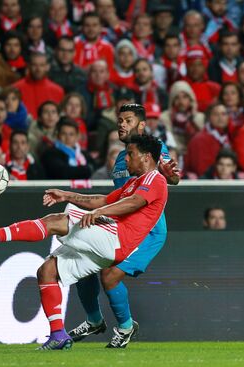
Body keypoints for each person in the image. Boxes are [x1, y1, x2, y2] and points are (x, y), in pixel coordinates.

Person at [0, 133, 169, 350]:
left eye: (131, 154)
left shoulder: (155, 179)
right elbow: (103, 199)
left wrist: (100, 212)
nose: (126, 159)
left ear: (146, 157)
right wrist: (67, 195)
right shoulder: (134, 183)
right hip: (107, 243)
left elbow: (133, 203)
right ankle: (58, 335)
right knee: (47, 271)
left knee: (54, 221)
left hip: (116, 238)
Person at [67, 103, 179, 348]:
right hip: (119, 227)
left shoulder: (154, 149)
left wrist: (170, 174)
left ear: (141, 125)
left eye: (127, 120)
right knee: (82, 264)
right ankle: (94, 320)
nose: (121, 124)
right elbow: (118, 196)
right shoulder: (121, 158)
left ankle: (126, 327)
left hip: (147, 232)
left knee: (109, 276)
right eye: (119, 120)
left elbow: (173, 178)